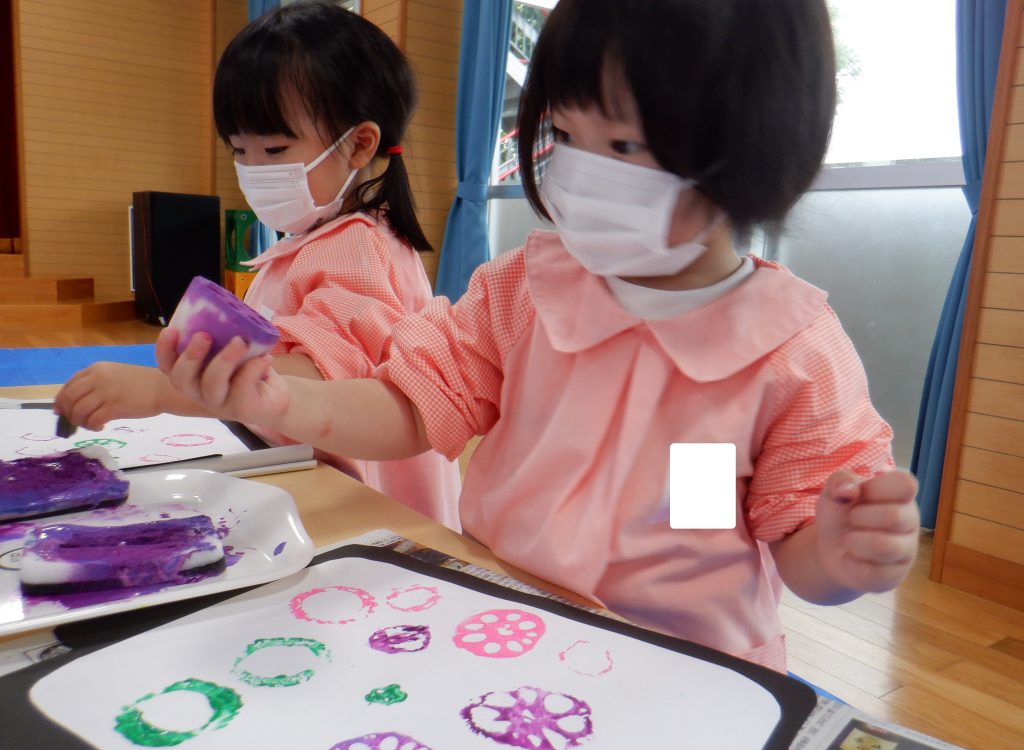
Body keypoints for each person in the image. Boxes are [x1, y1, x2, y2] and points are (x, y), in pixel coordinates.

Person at [152, 0, 920, 673]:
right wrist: (285, 401)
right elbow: (408, 405)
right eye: (568, 135)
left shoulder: (790, 350)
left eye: (625, 147)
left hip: (675, 670)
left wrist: (842, 556)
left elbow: (801, 548)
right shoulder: (525, 288)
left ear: (756, 147)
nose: (582, 174)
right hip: (500, 619)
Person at [54, 0, 460, 530]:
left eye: (273, 149)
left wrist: (158, 391)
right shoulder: (316, 239)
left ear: (360, 144)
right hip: (317, 477)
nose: (251, 169)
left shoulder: (355, 247)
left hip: (370, 514)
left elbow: (315, 378)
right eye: (238, 151)